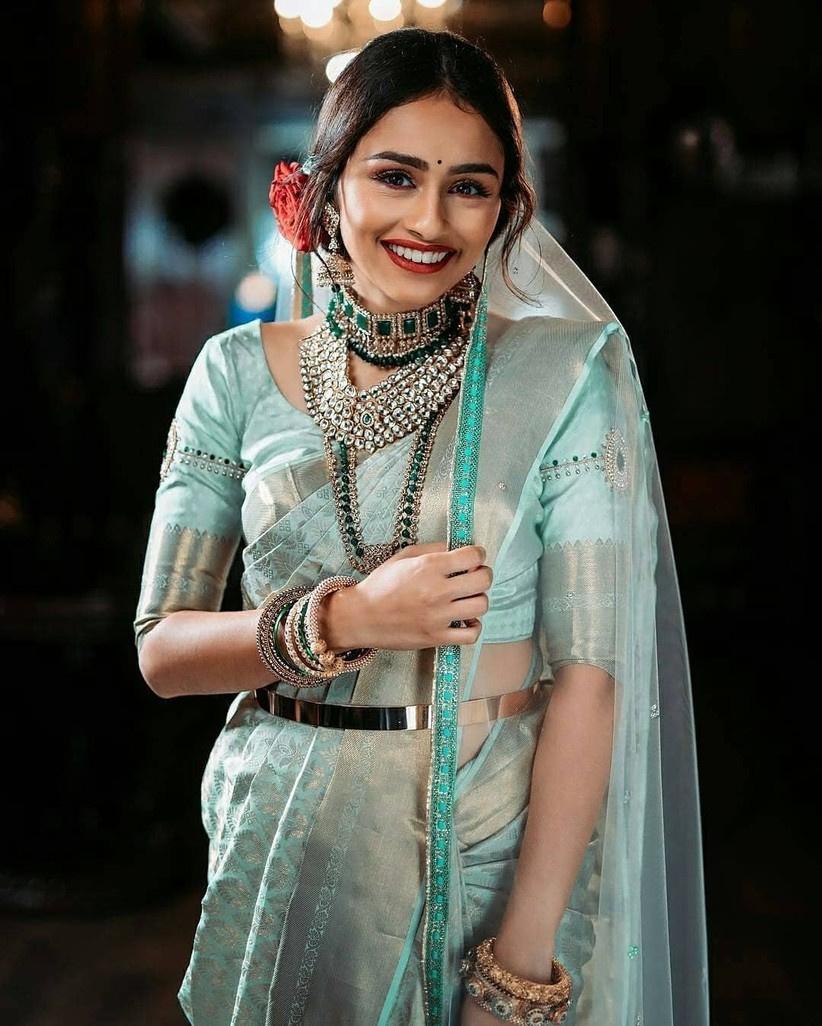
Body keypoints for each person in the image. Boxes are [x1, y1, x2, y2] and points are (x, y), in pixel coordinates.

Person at [134, 27, 709, 1026]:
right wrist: (346, 620)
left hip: (485, 846)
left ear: (506, 206)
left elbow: (591, 677)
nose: (431, 220)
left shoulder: (570, 375)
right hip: (282, 837)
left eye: (471, 187)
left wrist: (518, 967)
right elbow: (164, 649)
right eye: (395, 176)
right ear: (327, 186)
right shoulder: (231, 373)